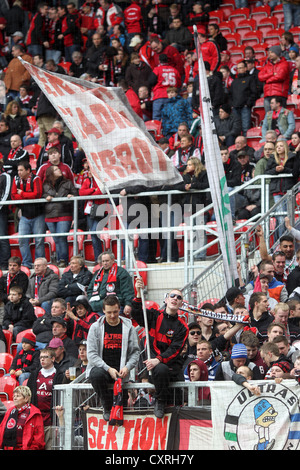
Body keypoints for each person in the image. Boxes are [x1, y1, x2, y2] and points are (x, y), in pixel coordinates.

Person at [132, 279, 189, 418]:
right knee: (160, 370)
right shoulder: (154, 316)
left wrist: (159, 359)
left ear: (181, 303)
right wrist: (138, 294)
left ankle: (166, 404)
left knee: (165, 370)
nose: (175, 298)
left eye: (179, 297)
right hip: (153, 367)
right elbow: (136, 314)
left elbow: (175, 350)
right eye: (172, 296)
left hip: (170, 367)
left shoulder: (183, 327)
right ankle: (159, 401)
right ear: (166, 299)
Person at [86, 295, 139, 421]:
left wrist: (128, 367)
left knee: (123, 414)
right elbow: (92, 354)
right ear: (103, 311)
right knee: (96, 374)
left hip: (121, 374)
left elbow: (135, 353)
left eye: (115, 312)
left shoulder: (128, 327)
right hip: (103, 370)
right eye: (109, 312)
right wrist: (108, 368)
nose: (112, 315)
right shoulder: (95, 327)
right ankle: (106, 405)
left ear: (119, 309)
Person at [27, 347, 64, 450]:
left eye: (45, 357)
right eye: (41, 357)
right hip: (36, 420)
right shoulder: (34, 375)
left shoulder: (59, 375)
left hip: (51, 420)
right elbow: (29, 395)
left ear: (52, 359)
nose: (42, 360)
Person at [11, 161, 45, 269]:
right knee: (22, 240)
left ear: (28, 170)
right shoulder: (16, 179)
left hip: (38, 215)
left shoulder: (36, 179)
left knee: (39, 241)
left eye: (21, 170)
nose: (19, 172)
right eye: (18, 170)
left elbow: (37, 194)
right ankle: (26, 263)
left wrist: (22, 194)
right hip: (25, 215)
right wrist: (26, 196)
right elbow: (13, 195)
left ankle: (40, 264)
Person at [43, 165, 78, 268]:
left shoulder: (67, 182)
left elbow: (75, 193)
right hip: (50, 215)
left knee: (62, 237)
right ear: (51, 173)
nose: (59, 170)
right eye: (56, 169)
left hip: (64, 213)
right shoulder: (45, 184)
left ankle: (63, 260)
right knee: (56, 239)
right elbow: (41, 194)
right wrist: (46, 197)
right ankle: (59, 260)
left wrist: (71, 196)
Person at [0, 385, 45, 450]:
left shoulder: (34, 413)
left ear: (26, 398)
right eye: (14, 396)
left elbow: (38, 438)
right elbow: (1, 430)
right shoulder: (10, 411)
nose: (14, 398)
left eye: (18, 396)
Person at [148, 53, 182, 121]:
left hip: (159, 96)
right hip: (172, 96)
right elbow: (179, 84)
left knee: (156, 118)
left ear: (159, 61)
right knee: (171, 118)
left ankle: (158, 132)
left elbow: (150, 82)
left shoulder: (157, 69)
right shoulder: (174, 70)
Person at [229, 60, 258, 136]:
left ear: (245, 68)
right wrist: (232, 104)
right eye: (238, 68)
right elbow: (230, 94)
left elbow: (254, 92)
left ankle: (246, 145)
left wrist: (247, 103)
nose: (239, 70)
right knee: (236, 128)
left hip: (245, 107)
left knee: (245, 128)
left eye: (241, 68)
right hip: (235, 108)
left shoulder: (250, 79)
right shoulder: (234, 81)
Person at [258, 45, 290, 112]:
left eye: (272, 52)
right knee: (269, 118)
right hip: (267, 95)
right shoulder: (267, 65)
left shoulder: (284, 63)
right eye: (269, 53)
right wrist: (271, 74)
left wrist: (267, 80)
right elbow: (260, 77)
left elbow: (280, 76)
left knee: (280, 119)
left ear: (277, 53)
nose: (270, 54)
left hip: (279, 95)